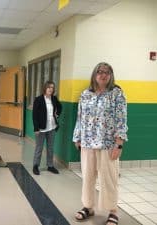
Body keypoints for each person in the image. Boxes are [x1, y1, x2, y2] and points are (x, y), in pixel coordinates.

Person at [72, 62, 128, 225]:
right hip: (88, 143)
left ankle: (113, 211)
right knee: (88, 177)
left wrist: (119, 143)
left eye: (107, 72)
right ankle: (88, 207)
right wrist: (78, 137)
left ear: (111, 75)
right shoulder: (85, 94)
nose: (103, 75)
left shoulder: (117, 93)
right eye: (100, 72)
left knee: (109, 178)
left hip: (108, 144)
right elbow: (80, 117)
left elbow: (121, 119)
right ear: (94, 75)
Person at [32, 81, 62, 175]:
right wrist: (36, 128)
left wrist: (57, 114)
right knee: (39, 147)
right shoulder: (38, 99)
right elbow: (34, 115)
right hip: (41, 128)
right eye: (49, 87)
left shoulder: (54, 98)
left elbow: (60, 106)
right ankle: (36, 166)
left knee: (50, 148)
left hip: (52, 127)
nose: (50, 89)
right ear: (45, 88)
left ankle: (50, 165)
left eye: (52, 88)